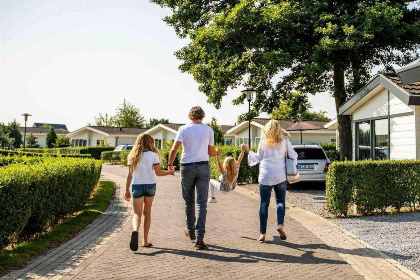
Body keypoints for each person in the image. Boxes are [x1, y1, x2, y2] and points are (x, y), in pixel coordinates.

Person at [168, 106, 220, 249]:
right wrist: (217, 153)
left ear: (190, 116)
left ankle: (191, 231)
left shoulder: (184, 129)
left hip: (187, 167)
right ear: (202, 116)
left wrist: (170, 164)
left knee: (188, 201)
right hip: (203, 166)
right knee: (202, 202)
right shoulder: (209, 130)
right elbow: (210, 152)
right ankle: (200, 237)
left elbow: (174, 149)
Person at [241, 119, 298, 243]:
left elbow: (256, 158)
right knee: (280, 202)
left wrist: (248, 150)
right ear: (279, 130)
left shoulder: (263, 143)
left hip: (266, 176)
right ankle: (280, 225)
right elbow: (294, 156)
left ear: (266, 130)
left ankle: (262, 234)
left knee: (264, 204)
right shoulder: (285, 142)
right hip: (280, 176)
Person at [125, 133, 174, 251]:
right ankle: (145, 241)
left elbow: (129, 176)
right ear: (150, 143)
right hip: (150, 186)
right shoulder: (153, 155)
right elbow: (158, 173)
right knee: (147, 213)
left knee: (137, 214)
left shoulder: (132, 156)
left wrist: (127, 190)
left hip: (136, 186)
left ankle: (135, 231)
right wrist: (170, 172)